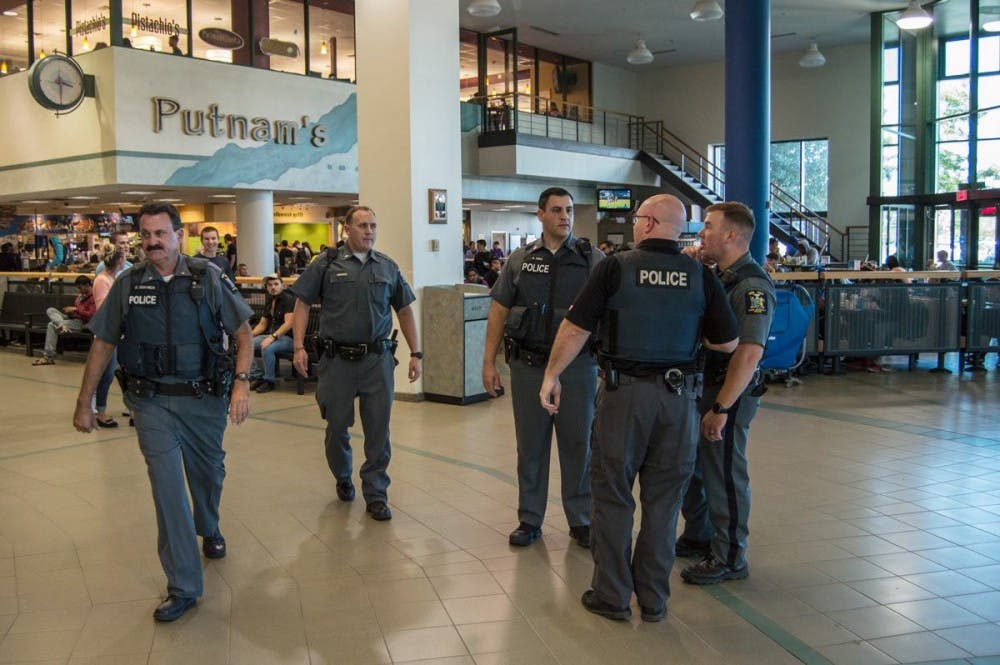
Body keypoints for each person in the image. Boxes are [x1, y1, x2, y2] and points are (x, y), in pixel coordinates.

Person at [538, 194, 738, 622]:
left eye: (636, 219)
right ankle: (653, 599)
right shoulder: (700, 275)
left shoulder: (615, 267)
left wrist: (551, 375)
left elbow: (575, 328)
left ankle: (612, 595)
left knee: (612, 496)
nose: (633, 225)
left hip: (623, 397)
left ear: (648, 223)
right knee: (665, 503)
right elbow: (728, 342)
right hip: (679, 401)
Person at [72, 202, 253, 623]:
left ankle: (209, 525)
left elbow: (242, 334)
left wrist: (241, 384)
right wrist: (85, 403)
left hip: (203, 402)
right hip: (151, 405)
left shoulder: (207, 278)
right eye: (146, 235)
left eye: (160, 234)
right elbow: (103, 342)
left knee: (209, 476)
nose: (152, 242)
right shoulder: (128, 283)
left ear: (178, 236)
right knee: (168, 490)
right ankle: (184, 585)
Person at [482, 186, 603, 549]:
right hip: (529, 366)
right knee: (531, 447)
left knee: (577, 445)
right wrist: (489, 362)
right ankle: (530, 519)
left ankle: (581, 520)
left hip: (577, 369)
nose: (565, 216)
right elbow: (499, 311)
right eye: (557, 210)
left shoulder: (590, 259)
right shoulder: (519, 260)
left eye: (568, 210)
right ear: (540, 214)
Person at [291, 205, 422, 522]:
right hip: (337, 362)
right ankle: (342, 474)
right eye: (363, 225)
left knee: (378, 431)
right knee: (336, 428)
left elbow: (404, 310)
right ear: (346, 229)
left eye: (373, 226)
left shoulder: (387, 267)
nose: (369, 231)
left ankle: (376, 494)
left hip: (376, 361)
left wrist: (416, 353)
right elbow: (302, 303)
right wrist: (298, 347)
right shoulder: (325, 264)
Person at [676, 202, 776, 586]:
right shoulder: (719, 276)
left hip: (727, 391)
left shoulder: (750, 286)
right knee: (699, 470)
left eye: (709, 227)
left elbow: (749, 352)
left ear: (732, 235)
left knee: (724, 475)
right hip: (708, 385)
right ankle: (701, 535)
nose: (701, 233)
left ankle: (731, 556)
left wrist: (721, 407)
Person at [91, 246, 127, 427]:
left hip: (120, 333)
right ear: (119, 261)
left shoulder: (115, 279)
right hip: (107, 334)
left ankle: (131, 407)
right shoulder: (102, 280)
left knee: (123, 371)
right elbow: (103, 308)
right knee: (107, 374)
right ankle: (100, 411)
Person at [32, 275, 96, 366]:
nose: (79, 291)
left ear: (87, 285)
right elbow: (77, 309)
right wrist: (71, 312)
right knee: (50, 310)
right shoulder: (80, 297)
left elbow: (91, 314)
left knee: (51, 325)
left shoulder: (94, 297)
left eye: (80, 288)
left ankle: (48, 357)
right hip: (72, 318)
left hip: (82, 322)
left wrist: (75, 310)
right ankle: (62, 325)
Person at [249, 274, 295, 393]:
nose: (273, 287)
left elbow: (289, 323)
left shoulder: (287, 299)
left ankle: (269, 381)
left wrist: (272, 337)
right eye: (269, 285)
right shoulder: (270, 300)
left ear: (282, 285)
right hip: (272, 335)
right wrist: (249, 335)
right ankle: (257, 375)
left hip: (288, 338)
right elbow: (263, 324)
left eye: (276, 284)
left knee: (267, 347)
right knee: (248, 344)